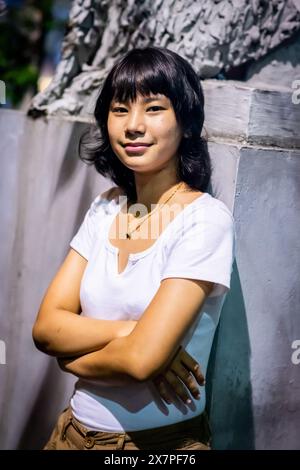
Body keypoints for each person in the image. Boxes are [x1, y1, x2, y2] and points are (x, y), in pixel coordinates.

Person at [32, 46, 235, 451]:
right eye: (120, 109)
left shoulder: (205, 220)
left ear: (187, 123)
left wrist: (68, 359)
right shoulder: (106, 207)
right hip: (70, 433)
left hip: (157, 445)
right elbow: (46, 329)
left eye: (154, 108)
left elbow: (142, 361)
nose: (133, 126)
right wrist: (130, 331)